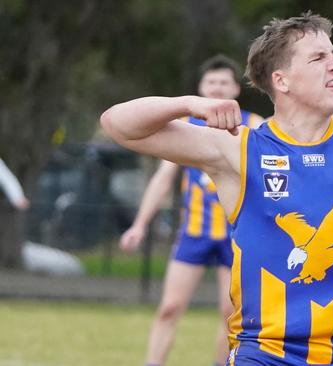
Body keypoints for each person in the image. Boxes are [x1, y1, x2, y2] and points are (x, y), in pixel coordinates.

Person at [101, 12, 333, 366]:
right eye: (319, 58)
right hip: (267, 353)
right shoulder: (237, 149)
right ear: (282, 80)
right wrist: (188, 104)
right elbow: (117, 124)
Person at [119, 54, 262, 366]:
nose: (217, 88)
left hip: (235, 237)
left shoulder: (255, 126)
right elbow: (163, 179)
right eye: (211, 82)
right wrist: (139, 225)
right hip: (194, 233)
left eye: (224, 82)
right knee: (170, 306)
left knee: (231, 313)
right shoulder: (184, 128)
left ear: (236, 89)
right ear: (201, 88)